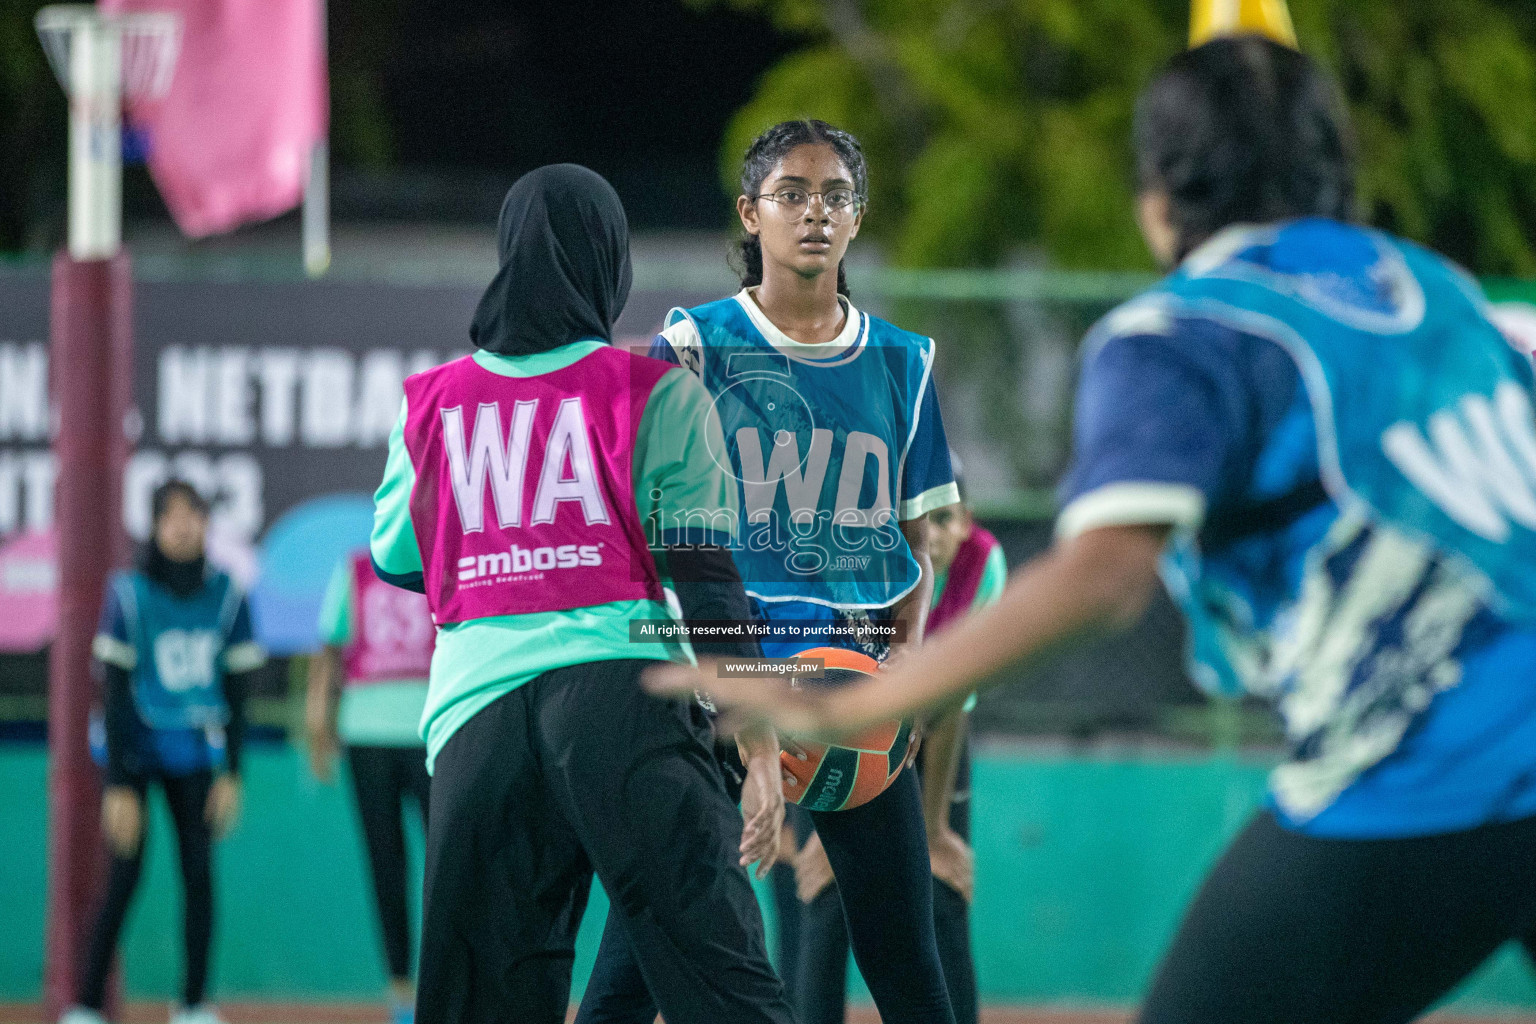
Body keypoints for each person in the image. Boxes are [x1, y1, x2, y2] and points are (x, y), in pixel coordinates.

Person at [650, 37, 1536, 1024]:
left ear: (1159, 195)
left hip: (1447, 752)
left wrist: (868, 700)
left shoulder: (1186, 330)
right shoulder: (1446, 296)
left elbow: (1106, 575)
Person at [369, 163, 795, 1024]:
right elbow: (707, 580)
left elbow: (401, 559)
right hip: (623, 699)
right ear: (611, 260)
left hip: (474, 722)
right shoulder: (655, 393)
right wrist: (755, 746)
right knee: (724, 987)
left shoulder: (428, 407)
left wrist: (507, 546)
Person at [592, 118, 961, 1024]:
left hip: (847, 691)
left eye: (835, 197)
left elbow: (921, 540)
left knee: (907, 962)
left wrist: (907, 670)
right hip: (721, 683)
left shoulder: (902, 362)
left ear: (859, 219)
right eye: (791, 194)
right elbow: (652, 534)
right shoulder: (692, 346)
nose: (815, 214)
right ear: (751, 213)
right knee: (635, 968)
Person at [792, 463, 1002, 1024]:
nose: (930, 535)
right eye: (916, 520)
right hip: (841, 729)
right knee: (823, 895)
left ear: (966, 524)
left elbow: (953, 701)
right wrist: (824, 821)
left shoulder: (986, 566)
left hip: (935, 732)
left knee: (946, 888)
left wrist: (934, 829)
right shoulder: (854, 562)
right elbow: (815, 680)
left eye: (944, 519)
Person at [61, 480, 266, 1024]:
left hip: (197, 757)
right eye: (170, 515)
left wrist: (234, 773)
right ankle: (85, 1007)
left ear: (206, 523)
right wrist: (120, 785)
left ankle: (194, 1004)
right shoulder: (129, 593)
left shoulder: (227, 594)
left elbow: (240, 693)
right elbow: (116, 688)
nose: (183, 525)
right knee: (122, 879)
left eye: (193, 513)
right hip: (135, 753)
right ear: (153, 526)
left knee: (199, 879)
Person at [306, 548, 435, 1024]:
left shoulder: (444, 555)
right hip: (366, 735)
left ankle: (443, 984)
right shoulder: (356, 569)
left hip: (429, 731)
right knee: (387, 866)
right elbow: (329, 650)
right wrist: (317, 723)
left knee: (445, 863)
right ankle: (401, 993)